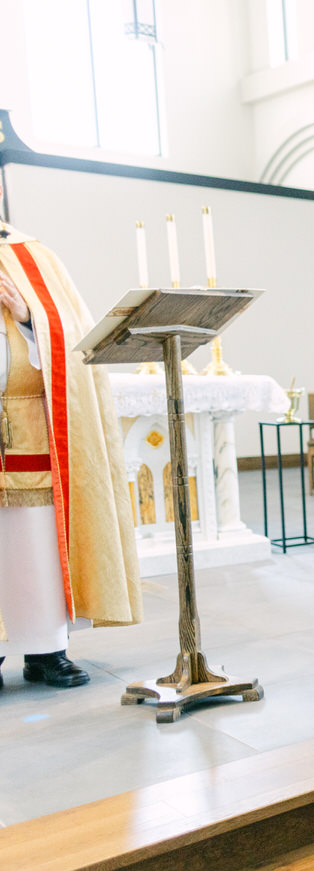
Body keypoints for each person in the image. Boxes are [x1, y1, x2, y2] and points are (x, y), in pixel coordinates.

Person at [0, 179, 141, 689]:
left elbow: (74, 342)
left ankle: (45, 651)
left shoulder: (32, 256)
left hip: (32, 424)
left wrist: (27, 315)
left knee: (34, 542)